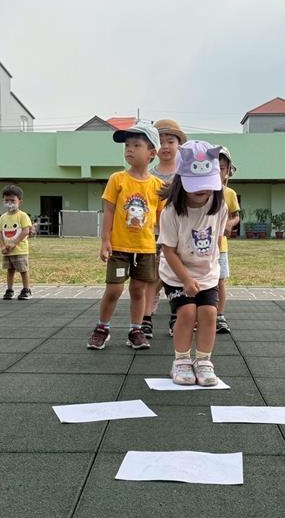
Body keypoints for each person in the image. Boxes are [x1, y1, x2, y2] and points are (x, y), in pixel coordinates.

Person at [87, 121, 163, 350]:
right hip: (119, 247)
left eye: (136, 145)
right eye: (127, 145)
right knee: (114, 289)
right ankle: (102, 328)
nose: (129, 149)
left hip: (146, 248)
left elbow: (162, 219)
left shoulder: (158, 186)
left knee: (139, 290)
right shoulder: (117, 179)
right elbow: (109, 210)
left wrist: (166, 246)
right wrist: (105, 240)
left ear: (152, 153)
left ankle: (136, 330)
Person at [158, 140, 228, 386]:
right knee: (187, 312)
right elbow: (168, 250)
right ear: (181, 181)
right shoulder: (171, 212)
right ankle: (181, 360)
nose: (204, 191)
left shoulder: (219, 207)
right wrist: (186, 279)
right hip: (176, 274)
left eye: (208, 185)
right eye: (196, 186)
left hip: (206, 273)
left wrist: (211, 270)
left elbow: (217, 239)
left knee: (209, 313)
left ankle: (204, 360)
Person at [141, 118, 187, 338]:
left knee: (178, 276)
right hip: (154, 234)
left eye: (171, 141)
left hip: (181, 235)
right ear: (153, 147)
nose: (166, 146)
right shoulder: (148, 175)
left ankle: (176, 316)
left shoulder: (186, 173)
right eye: (161, 141)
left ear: (180, 145)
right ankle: (146, 318)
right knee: (153, 276)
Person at [216, 146, 241, 335]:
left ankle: (219, 315)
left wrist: (230, 224)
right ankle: (199, 315)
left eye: (221, 168)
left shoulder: (229, 193)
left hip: (220, 247)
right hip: (200, 247)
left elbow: (236, 216)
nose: (217, 171)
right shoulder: (199, 192)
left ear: (227, 171)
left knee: (220, 281)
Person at [0, 184, 33, 300]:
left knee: (23, 270)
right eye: (7, 200)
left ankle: (26, 289)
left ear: (19, 201)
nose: (9, 203)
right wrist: (2, 246)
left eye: (13, 200)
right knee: (10, 270)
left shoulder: (22, 216)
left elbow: (26, 231)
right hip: (7, 251)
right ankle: (9, 289)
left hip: (20, 250)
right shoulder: (3, 217)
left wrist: (14, 243)